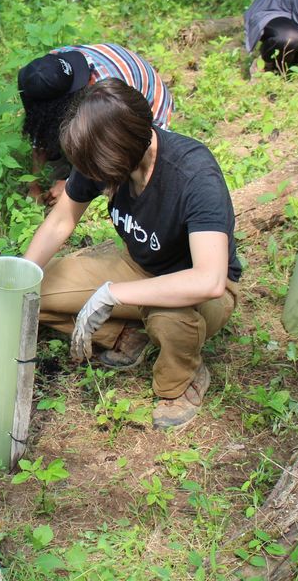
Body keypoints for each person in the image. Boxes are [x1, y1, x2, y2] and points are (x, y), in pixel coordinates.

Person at [23, 79, 242, 430]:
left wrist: (113, 294)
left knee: (170, 317)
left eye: (102, 175)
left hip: (197, 290)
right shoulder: (103, 149)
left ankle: (179, 384)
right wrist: (21, 275)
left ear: (127, 151)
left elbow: (210, 280)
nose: (96, 181)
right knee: (36, 292)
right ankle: (128, 335)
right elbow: (61, 220)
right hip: (136, 265)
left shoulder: (194, 175)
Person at [18, 43, 173, 206]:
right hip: (97, 95)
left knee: (126, 168)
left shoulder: (105, 95)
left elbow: (104, 146)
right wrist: (33, 186)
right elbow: (40, 124)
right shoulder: (45, 71)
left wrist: (70, 184)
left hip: (148, 105)